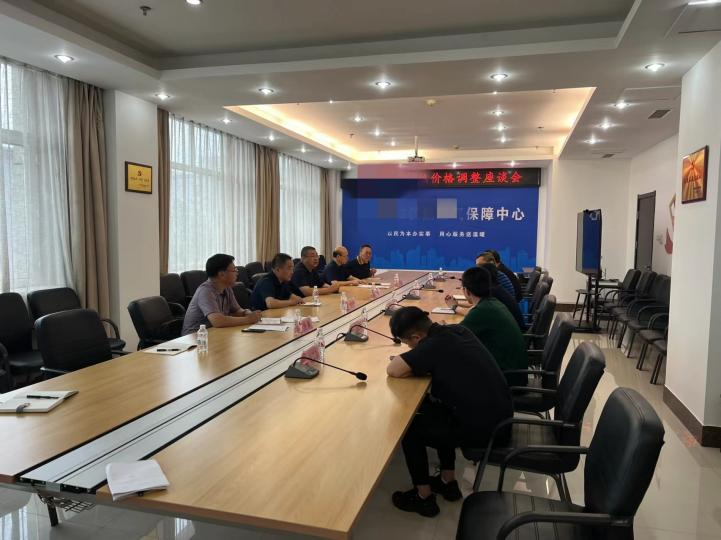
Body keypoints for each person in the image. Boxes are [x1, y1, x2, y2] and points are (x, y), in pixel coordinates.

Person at [386, 307, 513, 517]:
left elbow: (393, 370)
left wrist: (411, 361)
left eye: (408, 343)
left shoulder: (433, 346)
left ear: (417, 337)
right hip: (499, 420)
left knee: (410, 428)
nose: (409, 347)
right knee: (435, 408)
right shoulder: (458, 331)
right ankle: (448, 482)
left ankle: (423, 497)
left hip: (485, 433)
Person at [453, 266, 528, 386]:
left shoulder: (482, 311)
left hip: (506, 378)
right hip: (515, 372)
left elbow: (453, 339)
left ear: (466, 291)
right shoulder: (492, 302)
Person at [182, 253, 262, 335]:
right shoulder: (205, 291)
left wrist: (246, 312)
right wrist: (248, 319)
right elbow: (218, 321)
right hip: (195, 337)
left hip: (215, 333)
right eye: (234, 270)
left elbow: (237, 310)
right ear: (222, 274)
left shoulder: (227, 288)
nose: (237, 273)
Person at [447, 263, 525, 331]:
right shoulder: (491, 299)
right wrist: (457, 304)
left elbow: (457, 334)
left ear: (466, 291)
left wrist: (454, 307)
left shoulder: (483, 308)